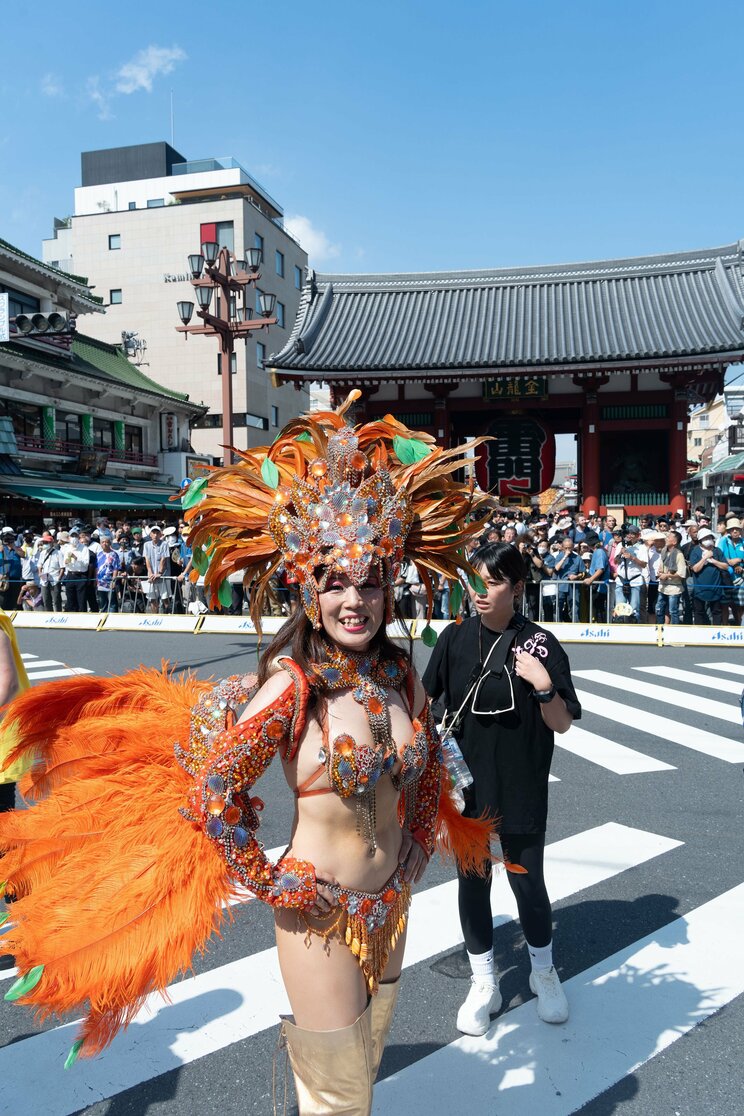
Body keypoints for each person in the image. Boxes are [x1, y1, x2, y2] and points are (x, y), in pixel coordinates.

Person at [0, 398, 493, 1112]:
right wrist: (272, 883)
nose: (355, 600)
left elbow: (428, 770)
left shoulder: (399, 674)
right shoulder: (292, 688)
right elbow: (213, 795)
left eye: (370, 581)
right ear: (309, 587)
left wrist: (418, 843)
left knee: (366, 1065)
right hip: (318, 910)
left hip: (395, 902)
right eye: (336, 582)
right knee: (339, 1097)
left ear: (391, 584)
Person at [422, 542, 581, 1037]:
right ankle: (484, 980)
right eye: (474, 580)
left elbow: (562, 725)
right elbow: (425, 705)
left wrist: (542, 685)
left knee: (527, 880)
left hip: (522, 782)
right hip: (468, 786)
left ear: (517, 587)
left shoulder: (541, 645)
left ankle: (543, 971)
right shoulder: (453, 639)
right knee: (473, 880)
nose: (480, 592)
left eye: (491, 582)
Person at [689, 528, 727, 625]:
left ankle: (715, 633)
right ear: (700, 540)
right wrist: (705, 558)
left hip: (716, 588)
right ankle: (699, 634)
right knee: (699, 612)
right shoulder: (695, 551)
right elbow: (695, 569)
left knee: (717, 612)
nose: (708, 540)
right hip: (699, 590)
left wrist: (713, 561)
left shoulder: (717, 551)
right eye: (705, 538)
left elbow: (725, 566)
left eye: (710, 537)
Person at [655, 530, 687, 624]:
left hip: (674, 588)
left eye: (669, 537)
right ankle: (660, 630)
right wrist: (660, 572)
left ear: (674, 542)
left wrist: (667, 575)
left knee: (673, 611)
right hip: (662, 586)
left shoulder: (679, 554)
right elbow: (661, 566)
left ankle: (675, 632)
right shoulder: (664, 552)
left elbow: (681, 573)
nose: (666, 538)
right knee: (659, 609)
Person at [143, 526, 171, 613]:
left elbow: (164, 559)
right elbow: (147, 559)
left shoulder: (164, 544)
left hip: (163, 576)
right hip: (151, 576)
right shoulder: (146, 544)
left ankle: (168, 617)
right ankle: (155, 618)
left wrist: (159, 573)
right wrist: (150, 573)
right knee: (152, 599)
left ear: (160, 534)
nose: (155, 535)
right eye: (153, 533)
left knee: (165, 598)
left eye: (157, 533)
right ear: (150, 534)